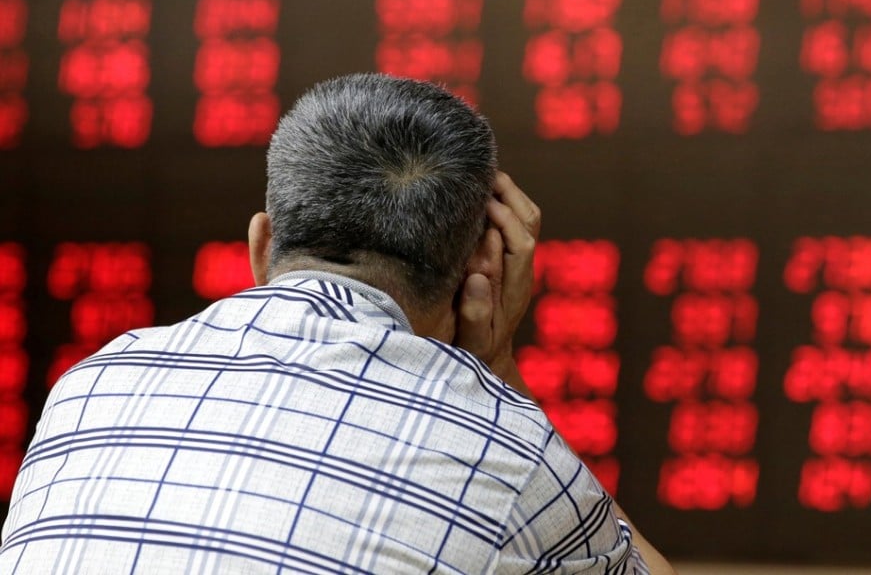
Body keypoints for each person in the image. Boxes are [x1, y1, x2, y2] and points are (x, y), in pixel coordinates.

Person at [0, 74, 674, 574]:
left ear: (262, 246)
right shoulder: (508, 455)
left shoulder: (89, 389)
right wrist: (498, 374)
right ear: (482, 271)